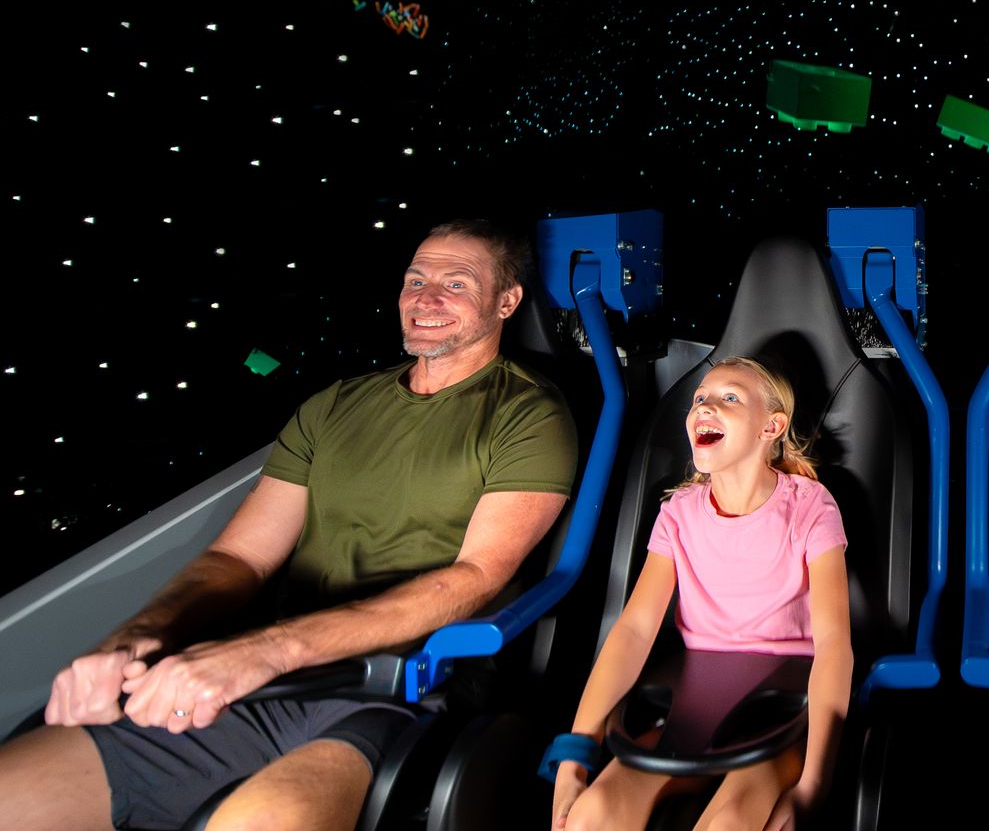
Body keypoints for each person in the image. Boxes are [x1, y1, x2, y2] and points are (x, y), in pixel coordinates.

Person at [0, 219, 578, 831]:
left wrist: (266, 650)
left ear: (506, 302)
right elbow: (238, 559)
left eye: (456, 283)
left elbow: (474, 577)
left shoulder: (527, 413)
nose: (425, 297)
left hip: (401, 686)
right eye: (416, 279)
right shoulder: (333, 406)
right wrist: (137, 636)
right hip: (267, 675)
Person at [548, 357, 851, 831]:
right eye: (699, 398)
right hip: (697, 704)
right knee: (590, 818)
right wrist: (574, 759)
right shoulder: (678, 514)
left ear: (772, 426)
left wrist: (812, 787)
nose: (705, 405)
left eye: (729, 398)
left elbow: (834, 644)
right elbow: (634, 630)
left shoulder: (811, 507)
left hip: (780, 713)